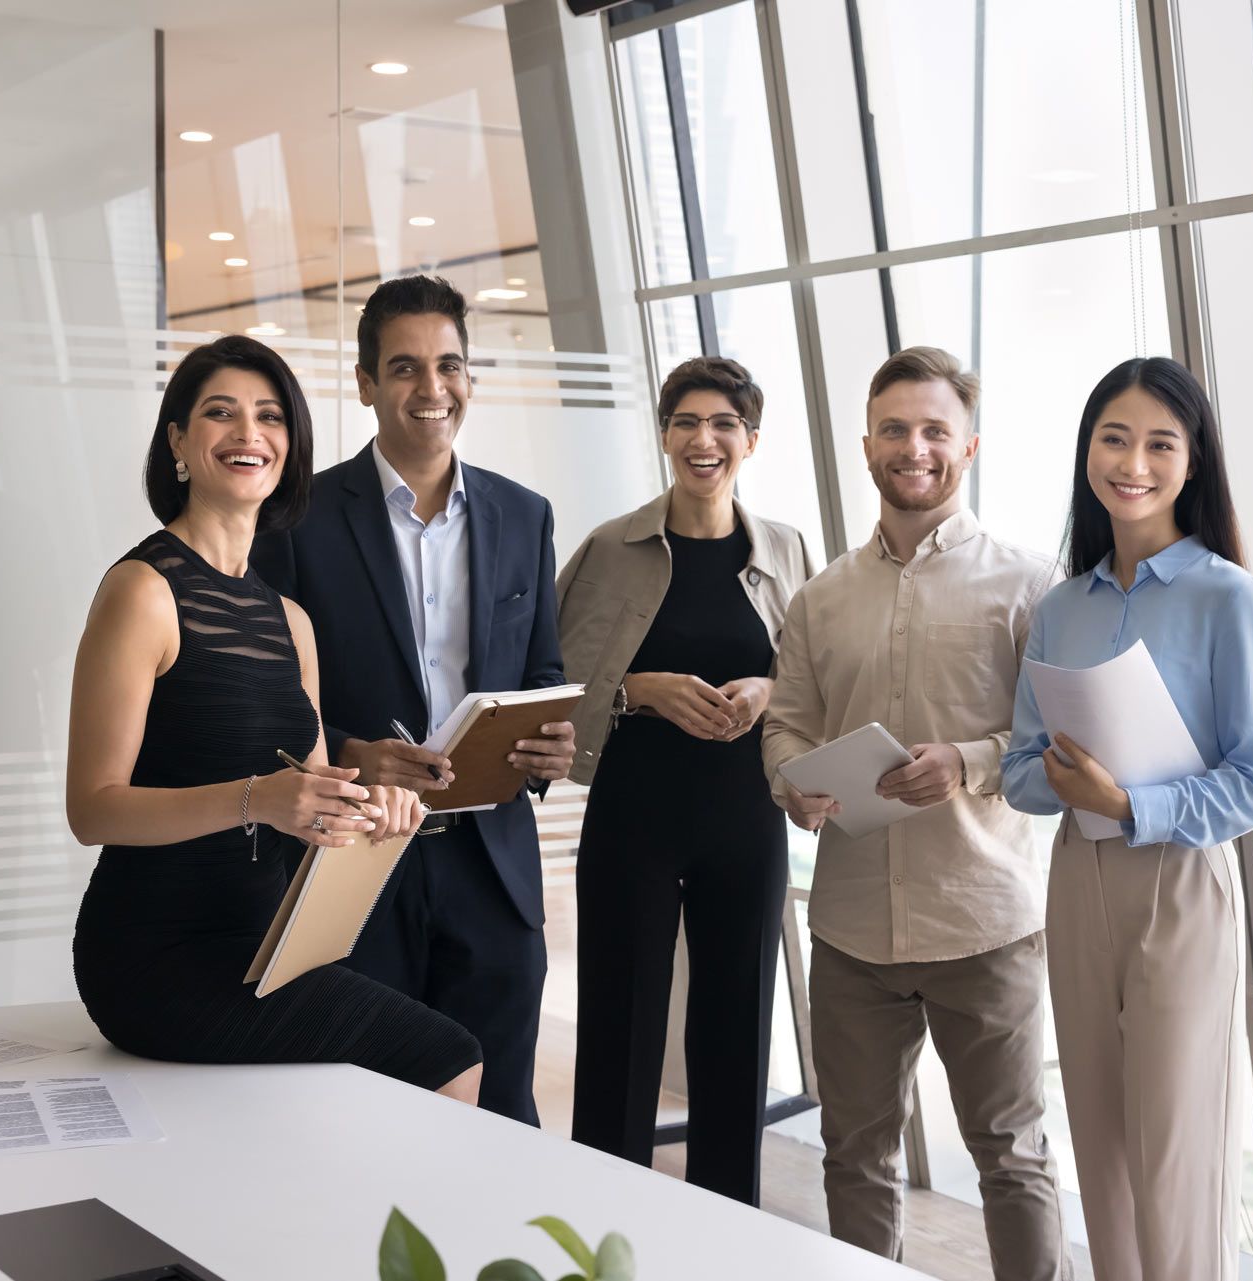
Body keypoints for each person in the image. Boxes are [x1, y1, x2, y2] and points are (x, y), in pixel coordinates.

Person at [66, 335, 481, 1102]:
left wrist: (374, 807)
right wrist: (256, 797)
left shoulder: (291, 619)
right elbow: (92, 809)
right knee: (448, 1057)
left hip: (275, 942)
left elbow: (314, 798)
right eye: (220, 414)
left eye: (269, 417)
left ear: (290, 447)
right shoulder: (142, 591)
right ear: (179, 442)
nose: (248, 433)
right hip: (157, 955)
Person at [761, 347, 1063, 1278]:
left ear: (968, 446)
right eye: (895, 428)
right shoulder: (820, 598)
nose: (914, 447)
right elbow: (784, 725)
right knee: (855, 1159)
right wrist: (791, 783)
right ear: (866, 445)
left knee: (1011, 1160)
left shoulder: (1027, 585)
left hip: (984, 923)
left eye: (935, 430)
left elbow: (1056, 748)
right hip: (851, 931)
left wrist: (969, 762)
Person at [251, 276, 573, 1126]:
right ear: (365, 384)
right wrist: (351, 751)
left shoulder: (525, 515)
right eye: (404, 368)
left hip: (491, 864)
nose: (431, 389)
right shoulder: (297, 521)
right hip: (357, 857)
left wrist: (549, 744)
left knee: (502, 1108)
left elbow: (541, 670)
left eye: (449, 365)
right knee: (365, 1109)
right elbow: (264, 700)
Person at [1000, 355, 1253, 1281]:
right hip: (1077, 884)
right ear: (1088, 453)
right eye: (1113, 438)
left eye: (1160, 443)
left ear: (1193, 461)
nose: (1134, 462)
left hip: (1180, 883)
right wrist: (1069, 783)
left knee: (1174, 1156)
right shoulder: (1061, 605)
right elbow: (1016, 770)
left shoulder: (1226, 596)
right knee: (1103, 1152)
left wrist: (1130, 803)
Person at [557, 356, 813, 1206]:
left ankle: (726, 1226)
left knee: (737, 1024)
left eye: (724, 424)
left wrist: (771, 690)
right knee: (620, 1023)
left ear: (750, 439)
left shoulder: (787, 548)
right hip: (634, 811)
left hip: (745, 815)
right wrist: (640, 690)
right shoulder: (607, 547)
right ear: (664, 434)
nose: (704, 440)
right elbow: (553, 687)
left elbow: (814, 679)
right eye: (686, 422)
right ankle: (606, 1217)